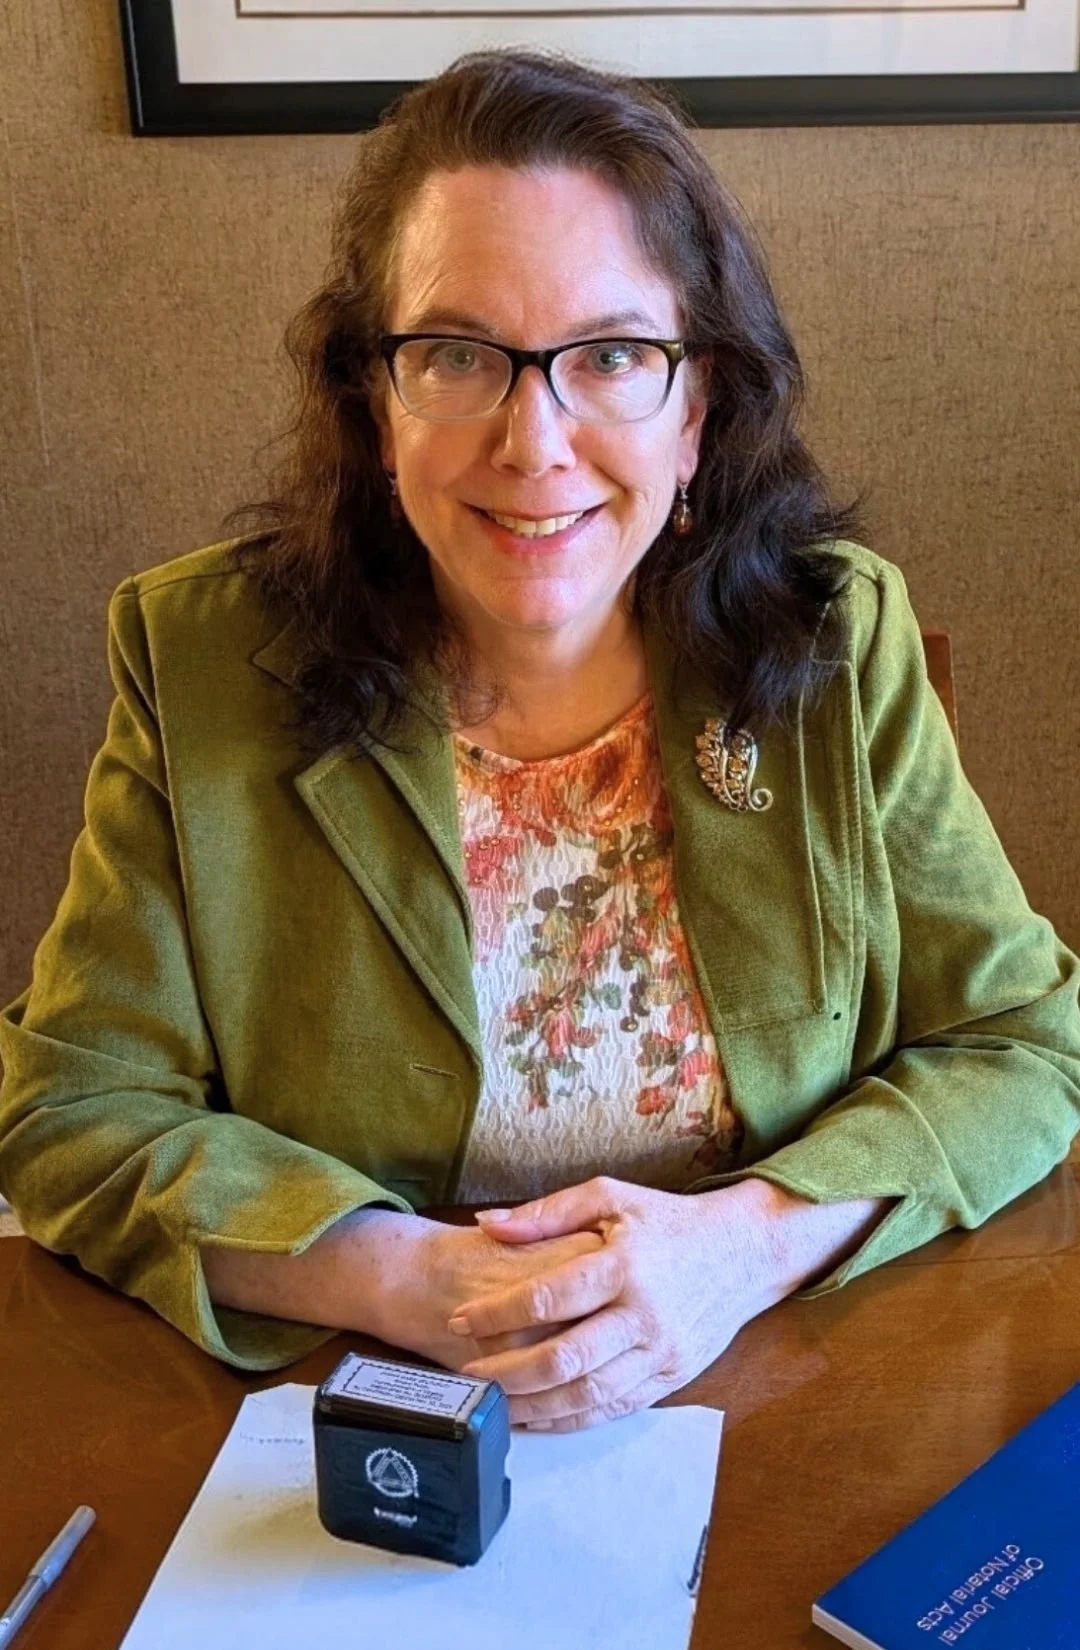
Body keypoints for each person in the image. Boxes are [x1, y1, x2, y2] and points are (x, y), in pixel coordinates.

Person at [1, 49, 1078, 1435]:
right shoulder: (204, 664)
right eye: (456, 354)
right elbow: (73, 1110)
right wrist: (402, 1275)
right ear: (374, 402)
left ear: (696, 409)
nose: (537, 439)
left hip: (783, 1395)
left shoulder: (833, 643)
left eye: (612, 355)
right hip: (363, 1425)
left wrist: (748, 1242)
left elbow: (1022, 1042)